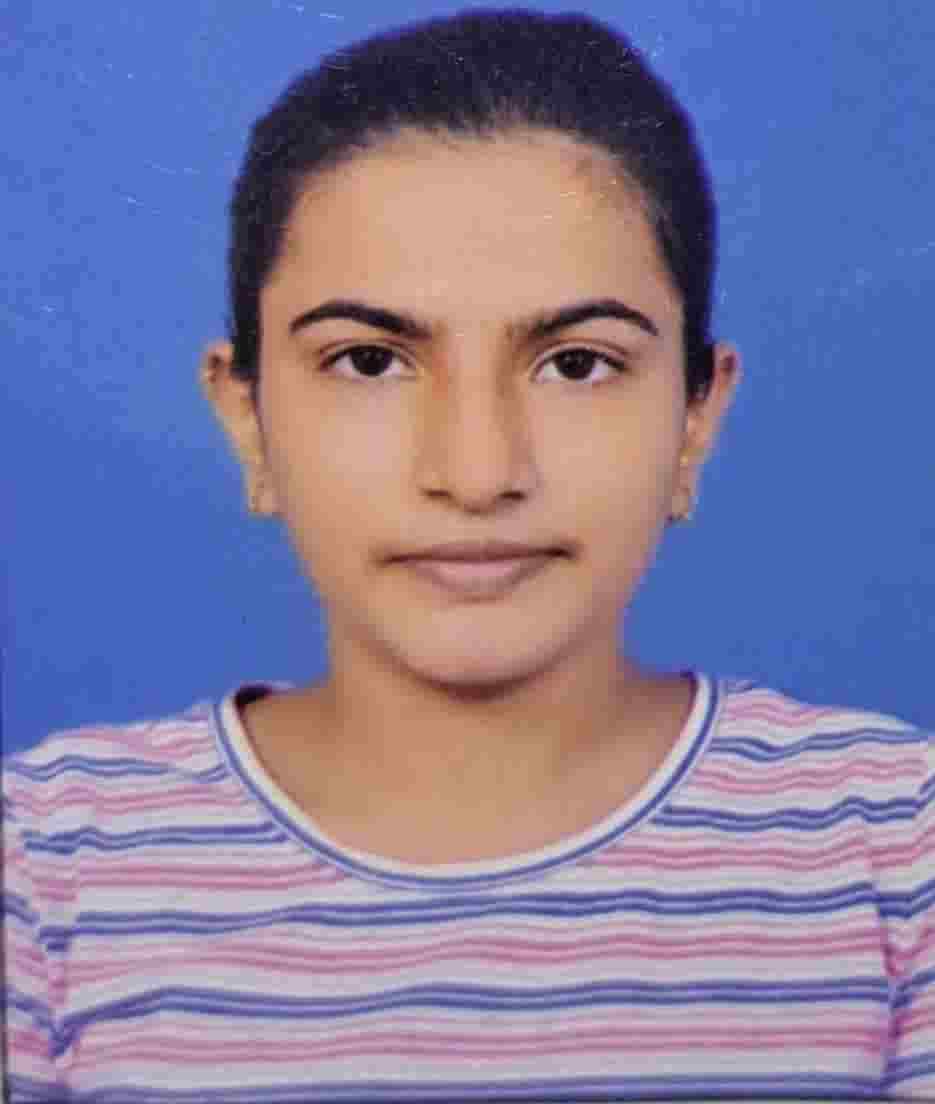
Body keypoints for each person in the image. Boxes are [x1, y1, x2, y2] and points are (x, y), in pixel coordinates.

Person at [3, 7, 934, 1101]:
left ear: (696, 415)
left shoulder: (897, 848)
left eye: (576, 364)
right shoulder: (45, 870)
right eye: (368, 361)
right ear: (246, 416)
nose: (478, 471)